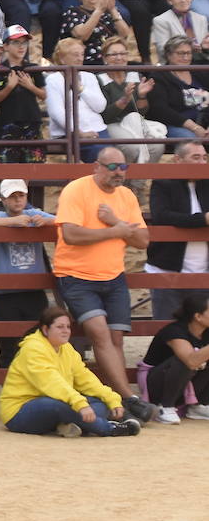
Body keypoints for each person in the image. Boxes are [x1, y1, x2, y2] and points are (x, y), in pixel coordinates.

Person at [52, 147, 156, 422]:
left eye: (123, 167)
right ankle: (130, 398)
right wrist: (115, 231)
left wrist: (116, 223)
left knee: (116, 339)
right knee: (99, 333)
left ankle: (118, 403)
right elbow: (71, 234)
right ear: (96, 167)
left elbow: (142, 240)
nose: (119, 172)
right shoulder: (76, 190)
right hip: (76, 275)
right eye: (112, 167)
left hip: (113, 276)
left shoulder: (126, 196)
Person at [0, 306, 139, 437]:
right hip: (19, 411)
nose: (65, 331)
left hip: (56, 401)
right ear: (45, 330)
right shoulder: (32, 349)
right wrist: (79, 404)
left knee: (98, 403)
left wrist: (112, 399)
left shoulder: (66, 348)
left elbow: (85, 378)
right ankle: (109, 429)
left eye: (68, 327)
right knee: (62, 406)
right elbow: (52, 383)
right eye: (59, 327)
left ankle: (69, 425)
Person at [0, 179, 54, 368]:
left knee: (38, 342)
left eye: (21, 195)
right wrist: (12, 221)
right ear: (3, 200)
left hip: (33, 291)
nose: (17, 200)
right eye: (12, 197)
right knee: (8, 346)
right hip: (4, 294)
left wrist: (46, 221)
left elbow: (63, 221)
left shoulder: (34, 214)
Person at [146, 142, 209, 319]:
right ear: (178, 160)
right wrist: (203, 219)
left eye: (204, 158)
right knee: (167, 329)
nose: (202, 163)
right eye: (195, 157)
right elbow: (162, 216)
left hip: (204, 272)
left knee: (203, 333)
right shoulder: (163, 183)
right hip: (167, 270)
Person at [0, 25, 50, 170]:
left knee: (34, 167)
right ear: (6, 46)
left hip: (32, 121)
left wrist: (30, 86)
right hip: (8, 123)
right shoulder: (0, 70)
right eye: (16, 43)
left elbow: (44, 95)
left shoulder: (33, 68)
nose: (21, 47)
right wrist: (9, 87)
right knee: (8, 167)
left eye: (24, 43)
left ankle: (27, 193)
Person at [96, 35, 165, 165]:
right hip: (112, 124)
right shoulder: (99, 79)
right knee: (131, 147)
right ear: (105, 58)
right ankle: (121, 180)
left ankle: (137, 184)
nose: (119, 58)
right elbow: (106, 116)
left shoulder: (133, 75)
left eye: (123, 53)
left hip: (134, 122)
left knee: (157, 146)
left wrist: (142, 95)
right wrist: (124, 99)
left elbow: (142, 110)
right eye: (114, 54)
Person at [141, 294, 209, 424]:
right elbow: (191, 361)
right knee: (183, 361)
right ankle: (165, 407)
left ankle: (199, 405)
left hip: (185, 385)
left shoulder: (206, 331)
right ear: (198, 317)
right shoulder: (174, 331)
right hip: (156, 386)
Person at [45, 37, 110, 163]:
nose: (80, 58)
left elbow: (100, 106)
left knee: (113, 155)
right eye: (75, 55)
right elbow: (57, 113)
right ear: (62, 58)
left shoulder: (89, 77)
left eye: (82, 54)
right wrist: (78, 132)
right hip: (69, 132)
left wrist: (80, 89)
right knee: (102, 157)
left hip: (98, 129)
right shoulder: (53, 80)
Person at [60, 0, 132, 65]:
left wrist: (112, 9)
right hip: (89, 61)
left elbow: (124, 35)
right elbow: (82, 36)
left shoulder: (109, 11)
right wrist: (99, 10)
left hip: (113, 59)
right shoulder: (72, 12)